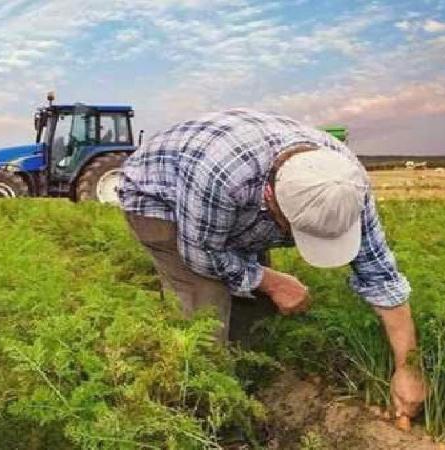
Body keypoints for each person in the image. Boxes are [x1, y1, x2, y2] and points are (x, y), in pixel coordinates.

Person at [118, 108, 426, 419]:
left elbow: (381, 276)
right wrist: (273, 281)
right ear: (272, 200)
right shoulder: (223, 177)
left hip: (231, 198)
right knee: (206, 309)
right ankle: (205, 411)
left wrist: (408, 367)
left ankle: (254, 385)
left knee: (255, 305)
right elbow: (203, 255)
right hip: (159, 198)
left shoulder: (346, 184)